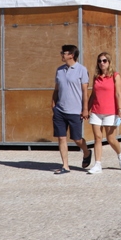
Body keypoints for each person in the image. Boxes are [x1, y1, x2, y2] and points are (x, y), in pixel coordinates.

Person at [52, 44, 91, 174]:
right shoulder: (59, 70)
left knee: (77, 139)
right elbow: (56, 89)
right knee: (61, 138)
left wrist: (85, 109)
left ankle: (86, 151)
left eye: (64, 52)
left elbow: (85, 92)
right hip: (60, 111)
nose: (62, 54)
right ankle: (65, 166)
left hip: (75, 111)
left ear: (71, 55)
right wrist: (53, 104)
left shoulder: (81, 70)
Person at [86, 51, 121, 174]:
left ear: (109, 62)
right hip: (96, 111)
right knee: (97, 137)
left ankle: (120, 153)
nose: (101, 63)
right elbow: (93, 94)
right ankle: (97, 165)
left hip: (111, 111)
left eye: (104, 61)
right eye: (99, 61)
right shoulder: (96, 77)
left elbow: (118, 94)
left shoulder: (115, 76)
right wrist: (87, 108)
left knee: (110, 138)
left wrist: (120, 110)